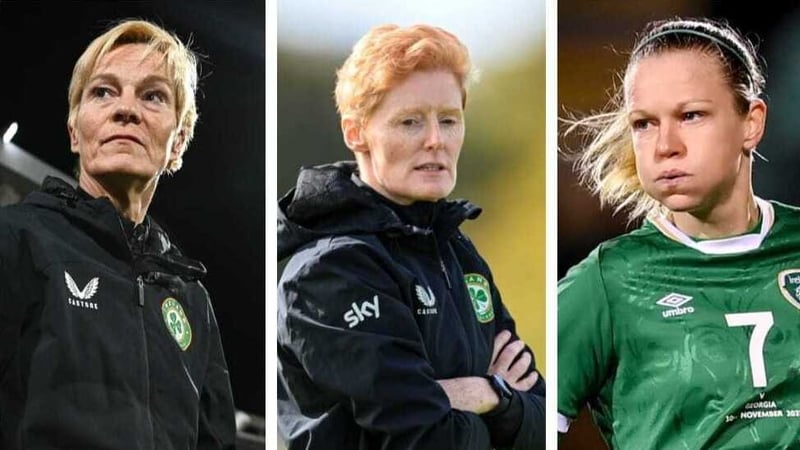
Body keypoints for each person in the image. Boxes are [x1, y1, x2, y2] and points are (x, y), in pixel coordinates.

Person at [277, 24, 545, 450]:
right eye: (410, 122)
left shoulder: (458, 251)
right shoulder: (328, 271)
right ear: (355, 132)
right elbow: (422, 439)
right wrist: (494, 394)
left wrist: (485, 396)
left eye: (449, 120)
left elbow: (541, 422)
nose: (436, 141)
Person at [557, 17, 800, 449]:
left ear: (752, 122)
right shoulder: (609, 281)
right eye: (644, 123)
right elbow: (520, 418)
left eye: (691, 115)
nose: (665, 144)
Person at [0, 19, 236, 448]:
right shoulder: (17, 240)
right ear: (75, 131)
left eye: (152, 96)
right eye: (104, 92)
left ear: (179, 141)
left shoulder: (191, 298)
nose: (126, 109)